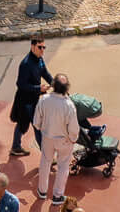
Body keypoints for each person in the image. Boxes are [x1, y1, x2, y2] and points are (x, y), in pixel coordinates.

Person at [32, 75, 78, 208]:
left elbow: (36, 122)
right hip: (64, 140)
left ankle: (42, 191)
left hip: (47, 138)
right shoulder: (69, 105)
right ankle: (57, 196)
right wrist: (72, 139)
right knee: (63, 166)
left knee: (45, 162)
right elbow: (74, 129)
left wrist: (42, 129)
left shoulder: (44, 100)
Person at [9, 37, 51, 157]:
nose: (42, 50)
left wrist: (55, 84)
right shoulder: (26, 64)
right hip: (25, 101)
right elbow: (20, 84)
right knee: (37, 125)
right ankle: (46, 155)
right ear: (32, 47)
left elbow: (45, 73)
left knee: (23, 123)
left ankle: (15, 147)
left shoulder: (39, 59)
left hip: (34, 98)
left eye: (44, 47)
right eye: (40, 47)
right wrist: (39, 89)